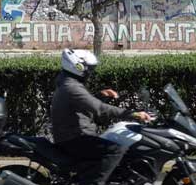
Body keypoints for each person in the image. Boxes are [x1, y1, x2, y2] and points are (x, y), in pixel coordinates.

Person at [51, 49, 151, 185]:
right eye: (90, 69)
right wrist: (132, 114)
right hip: (74, 138)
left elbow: (84, 104)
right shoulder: (71, 87)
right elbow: (99, 109)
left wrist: (101, 95)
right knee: (116, 150)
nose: (91, 72)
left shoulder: (69, 82)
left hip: (74, 135)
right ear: (78, 67)